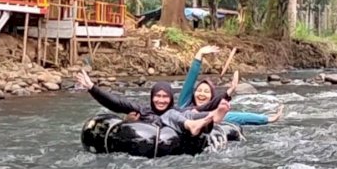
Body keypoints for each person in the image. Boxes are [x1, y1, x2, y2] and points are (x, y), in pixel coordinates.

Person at [75, 70, 230, 137]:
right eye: (157, 96)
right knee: (173, 114)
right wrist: (92, 88)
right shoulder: (142, 110)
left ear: (170, 98)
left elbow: (200, 107)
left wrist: (226, 95)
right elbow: (117, 103)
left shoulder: (175, 110)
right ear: (151, 97)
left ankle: (214, 118)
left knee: (189, 113)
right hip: (149, 142)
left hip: (176, 134)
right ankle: (194, 124)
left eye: (165, 97)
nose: (161, 100)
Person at [177, 45, 285, 126]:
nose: (201, 94)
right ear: (194, 93)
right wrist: (199, 54)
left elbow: (241, 117)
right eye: (199, 90)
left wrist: (267, 119)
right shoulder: (184, 104)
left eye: (206, 92)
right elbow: (190, 81)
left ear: (211, 98)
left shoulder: (215, 114)